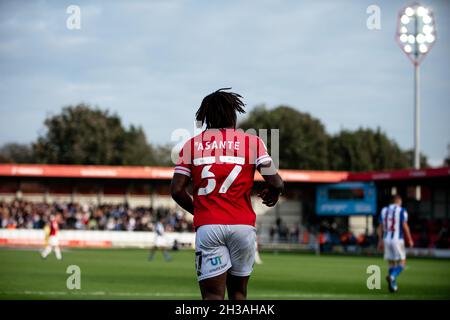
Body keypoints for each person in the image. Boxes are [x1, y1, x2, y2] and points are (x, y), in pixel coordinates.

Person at [170, 88, 284, 300]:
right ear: (233, 113)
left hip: (209, 226)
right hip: (243, 226)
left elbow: (176, 190)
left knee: (213, 296)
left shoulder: (191, 145)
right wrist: (273, 193)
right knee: (238, 293)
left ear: (205, 117)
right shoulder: (252, 142)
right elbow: (276, 182)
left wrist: (201, 211)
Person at [377, 195, 414, 292]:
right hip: (398, 239)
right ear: (398, 201)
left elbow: (380, 227)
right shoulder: (401, 210)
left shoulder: (383, 210)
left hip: (386, 239)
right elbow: (405, 225)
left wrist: (380, 240)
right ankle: (392, 276)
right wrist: (410, 239)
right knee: (402, 261)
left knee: (391, 263)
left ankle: (393, 285)